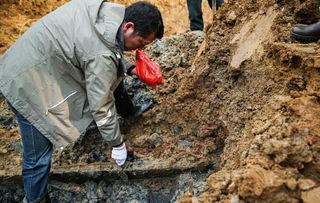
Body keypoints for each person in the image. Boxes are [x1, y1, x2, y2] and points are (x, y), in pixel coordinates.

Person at [0, 0, 164, 202]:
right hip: (25, 84)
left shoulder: (106, 15)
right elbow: (101, 104)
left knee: (108, 74)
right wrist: (117, 144)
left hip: (35, 58)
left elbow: (104, 50)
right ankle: (35, 199)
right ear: (128, 27)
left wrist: (130, 67)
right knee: (38, 158)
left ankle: (128, 112)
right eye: (141, 43)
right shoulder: (100, 55)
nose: (139, 48)